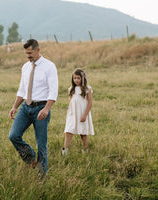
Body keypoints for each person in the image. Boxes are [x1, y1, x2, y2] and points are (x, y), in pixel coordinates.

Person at [8, 39, 58, 176]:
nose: (28, 56)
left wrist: (47, 109)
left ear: (38, 50)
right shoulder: (25, 67)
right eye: (26, 53)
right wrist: (14, 107)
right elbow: (22, 89)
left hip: (41, 108)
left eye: (30, 53)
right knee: (13, 135)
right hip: (25, 107)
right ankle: (30, 159)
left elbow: (53, 91)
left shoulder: (49, 66)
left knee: (41, 145)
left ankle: (41, 178)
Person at [62, 69, 94, 155]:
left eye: (78, 78)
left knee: (82, 134)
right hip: (72, 115)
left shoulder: (87, 89)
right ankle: (65, 152)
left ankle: (85, 152)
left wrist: (85, 115)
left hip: (82, 114)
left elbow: (90, 103)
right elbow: (72, 103)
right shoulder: (71, 89)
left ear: (83, 79)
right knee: (68, 132)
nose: (76, 80)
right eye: (74, 78)